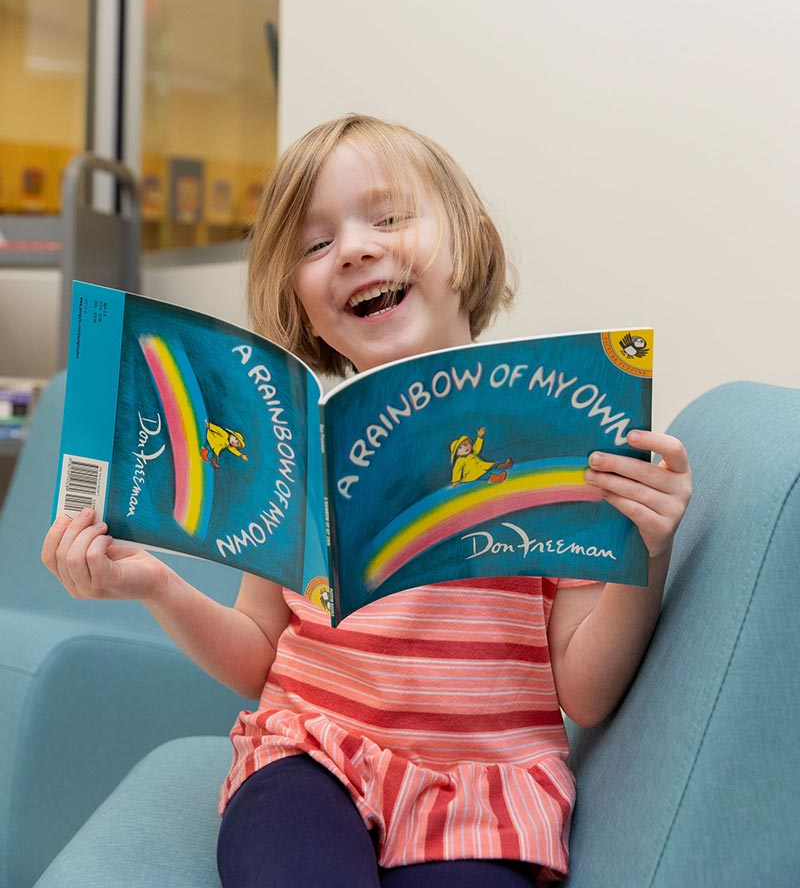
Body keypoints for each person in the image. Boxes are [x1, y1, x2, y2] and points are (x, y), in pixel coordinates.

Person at [41, 114, 692, 887]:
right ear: (304, 302)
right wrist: (154, 583)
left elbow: (584, 691)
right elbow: (258, 652)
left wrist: (647, 551)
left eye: (387, 218)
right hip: (307, 760)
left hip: (479, 794)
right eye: (315, 246)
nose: (352, 249)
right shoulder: (299, 452)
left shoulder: (559, 444)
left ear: (470, 240)